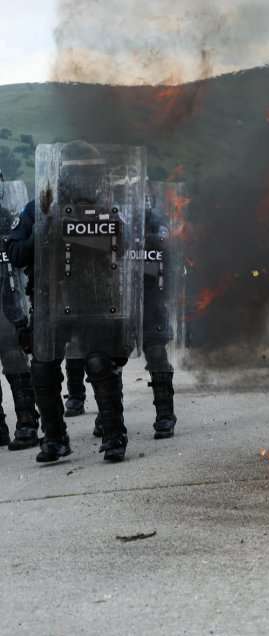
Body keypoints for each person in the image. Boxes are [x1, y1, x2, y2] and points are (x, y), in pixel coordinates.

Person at [5, 140, 146, 462]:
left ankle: (114, 436)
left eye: (88, 172)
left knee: (100, 364)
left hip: (95, 299)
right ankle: (54, 439)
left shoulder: (107, 208)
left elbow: (121, 248)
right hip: (50, 301)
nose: (81, 179)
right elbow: (15, 253)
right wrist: (45, 229)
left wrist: (85, 224)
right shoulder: (37, 209)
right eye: (75, 172)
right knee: (42, 369)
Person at [63, 181, 182, 439]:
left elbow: (164, 254)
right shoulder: (100, 218)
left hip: (148, 299)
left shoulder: (152, 221)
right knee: (106, 361)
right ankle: (107, 416)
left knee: (156, 352)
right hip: (113, 301)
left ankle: (164, 414)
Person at [0, 177, 40, 449]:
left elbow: (17, 260)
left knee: (15, 361)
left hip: (7, 305)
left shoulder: (8, 220)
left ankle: (26, 423)